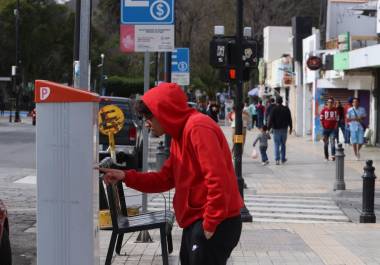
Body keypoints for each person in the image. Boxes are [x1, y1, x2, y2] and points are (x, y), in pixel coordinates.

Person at [99, 83, 243, 265]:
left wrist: (211, 222)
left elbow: (217, 179)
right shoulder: (180, 135)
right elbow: (165, 178)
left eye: (148, 116)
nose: (147, 123)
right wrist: (126, 176)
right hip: (198, 219)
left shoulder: (198, 128)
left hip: (214, 220)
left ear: (164, 112)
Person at [267, 96, 292, 165]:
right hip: (284, 129)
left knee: (276, 144)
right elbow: (290, 119)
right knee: (283, 144)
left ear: (276, 102)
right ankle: (283, 158)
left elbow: (270, 120)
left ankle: (277, 159)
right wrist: (291, 128)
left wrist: (268, 129)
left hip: (276, 130)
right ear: (282, 101)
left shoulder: (274, 109)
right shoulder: (286, 109)